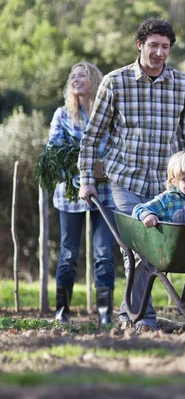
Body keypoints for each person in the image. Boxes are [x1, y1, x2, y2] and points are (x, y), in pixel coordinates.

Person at [78, 17, 185, 333]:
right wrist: (86, 179)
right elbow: (93, 135)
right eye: (153, 46)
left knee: (152, 251)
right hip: (126, 180)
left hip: (165, 185)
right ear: (140, 45)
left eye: (165, 47)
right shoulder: (115, 82)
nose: (159, 52)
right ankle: (143, 318)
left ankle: (128, 313)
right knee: (136, 249)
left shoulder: (181, 84)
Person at [47, 62, 115, 325]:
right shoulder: (62, 115)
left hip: (105, 193)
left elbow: (116, 149)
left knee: (103, 254)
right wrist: (82, 166)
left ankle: (105, 315)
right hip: (70, 193)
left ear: (94, 81)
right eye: (72, 76)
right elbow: (54, 150)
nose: (76, 79)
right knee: (68, 253)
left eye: (82, 75)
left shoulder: (107, 115)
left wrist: (102, 169)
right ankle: (62, 313)